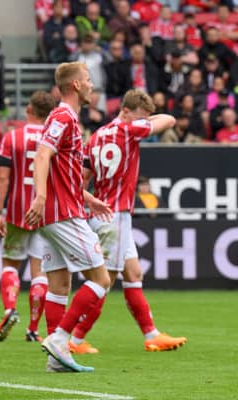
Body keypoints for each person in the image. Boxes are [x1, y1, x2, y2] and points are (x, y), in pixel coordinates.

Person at [67, 89, 187, 354]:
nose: (141, 123)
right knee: (103, 282)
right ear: (125, 111)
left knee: (133, 274)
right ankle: (73, 339)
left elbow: (80, 180)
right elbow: (169, 121)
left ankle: (151, 334)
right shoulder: (127, 130)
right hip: (116, 216)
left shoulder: (96, 136)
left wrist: (90, 201)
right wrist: (143, 123)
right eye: (139, 118)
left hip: (104, 214)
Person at [24, 62, 113, 373]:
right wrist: (40, 196)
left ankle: (55, 360)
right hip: (63, 214)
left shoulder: (67, 118)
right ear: (76, 85)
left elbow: (63, 172)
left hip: (57, 213)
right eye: (87, 80)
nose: (91, 85)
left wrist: (89, 198)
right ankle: (61, 339)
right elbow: (42, 155)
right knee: (101, 279)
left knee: (60, 285)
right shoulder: (63, 116)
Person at [0, 91, 57, 343]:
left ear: (29, 109)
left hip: (18, 211)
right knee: (39, 270)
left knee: (10, 264)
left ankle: (9, 309)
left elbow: (2, 177)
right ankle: (33, 329)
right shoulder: (54, 138)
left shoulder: (13, 138)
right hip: (45, 213)